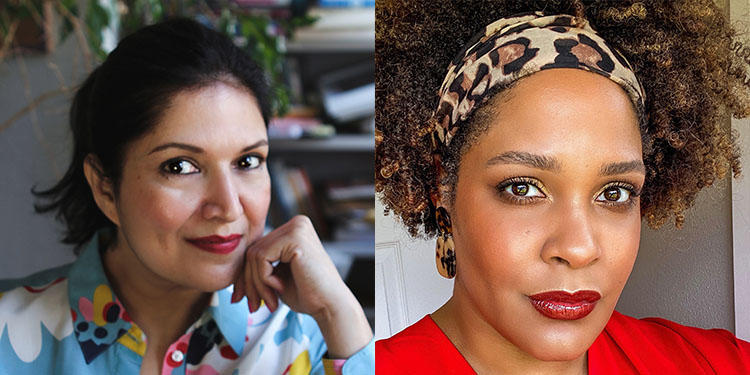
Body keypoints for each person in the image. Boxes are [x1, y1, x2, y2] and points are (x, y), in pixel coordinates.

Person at [375, 0, 750, 373]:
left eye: (614, 192)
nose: (579, 249)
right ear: (442, 187)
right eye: (522, 188)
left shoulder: (717, 363)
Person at [0, 18, 373, 374]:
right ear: (104, 187)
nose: (228, 207)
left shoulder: (314, 338)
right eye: (179, 167)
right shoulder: (7, 336)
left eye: (247, 160)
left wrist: (341, 314)